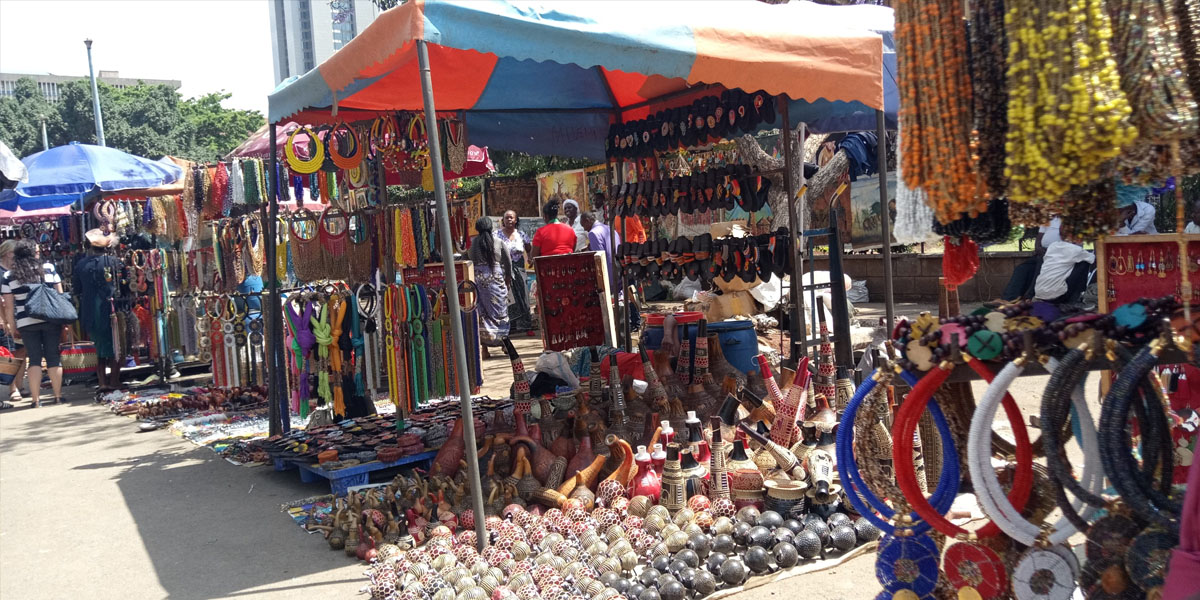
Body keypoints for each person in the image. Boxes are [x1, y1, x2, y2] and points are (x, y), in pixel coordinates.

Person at [2, 240, 65, 406]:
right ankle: (58, 397)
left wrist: (11, 325)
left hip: (25, 322)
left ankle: (36, 400)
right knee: (53, 357)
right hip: (51, 319)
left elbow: (8, 306)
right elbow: (60, 295)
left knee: (34, 359)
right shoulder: (49, 269)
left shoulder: (9, 276)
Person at [73, 229, 125, 392]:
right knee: (117, 344)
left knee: (97, 346)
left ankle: (102, 382)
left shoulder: (81, 264)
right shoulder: (114, 262)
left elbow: (76, 289)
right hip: (111, 308)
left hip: (90, 310)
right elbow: (123, 286)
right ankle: (115, 380)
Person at [470, 217, 512, 359]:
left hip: (478, 282)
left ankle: (485, 349)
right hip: (496, 282)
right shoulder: (499, 242)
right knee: (501, 313)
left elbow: (466, 258)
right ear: (491, 227)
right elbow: (508, 262)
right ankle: (505, 344)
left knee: (482, 315)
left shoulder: (473, 244)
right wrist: (508, 279)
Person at [495, 210, 534, 332]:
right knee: (507, 297)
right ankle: (510, 326)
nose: (509, 220)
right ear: (503, 220)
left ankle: (525, 325)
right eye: (506, 218)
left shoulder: (521, 235)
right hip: (503, 269)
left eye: (511, 218)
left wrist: (530, 259)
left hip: (519, 268)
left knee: (522, 295)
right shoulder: (496, 235)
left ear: (516, 220)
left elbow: (529, 249)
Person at [0, 240, 25, 408]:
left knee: (22, 350)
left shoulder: (17, 269)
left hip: (19, 313)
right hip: (5, 314)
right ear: (9, 253)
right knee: (9, 350)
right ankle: (12, 387)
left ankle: (20, 384)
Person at [580, 211, 622, 290]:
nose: (584, 229)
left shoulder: (593, 233)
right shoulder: (609, 228)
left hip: (608, 275)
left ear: (587, 221)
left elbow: (599, 257)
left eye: (583, 225)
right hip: (618, 270)